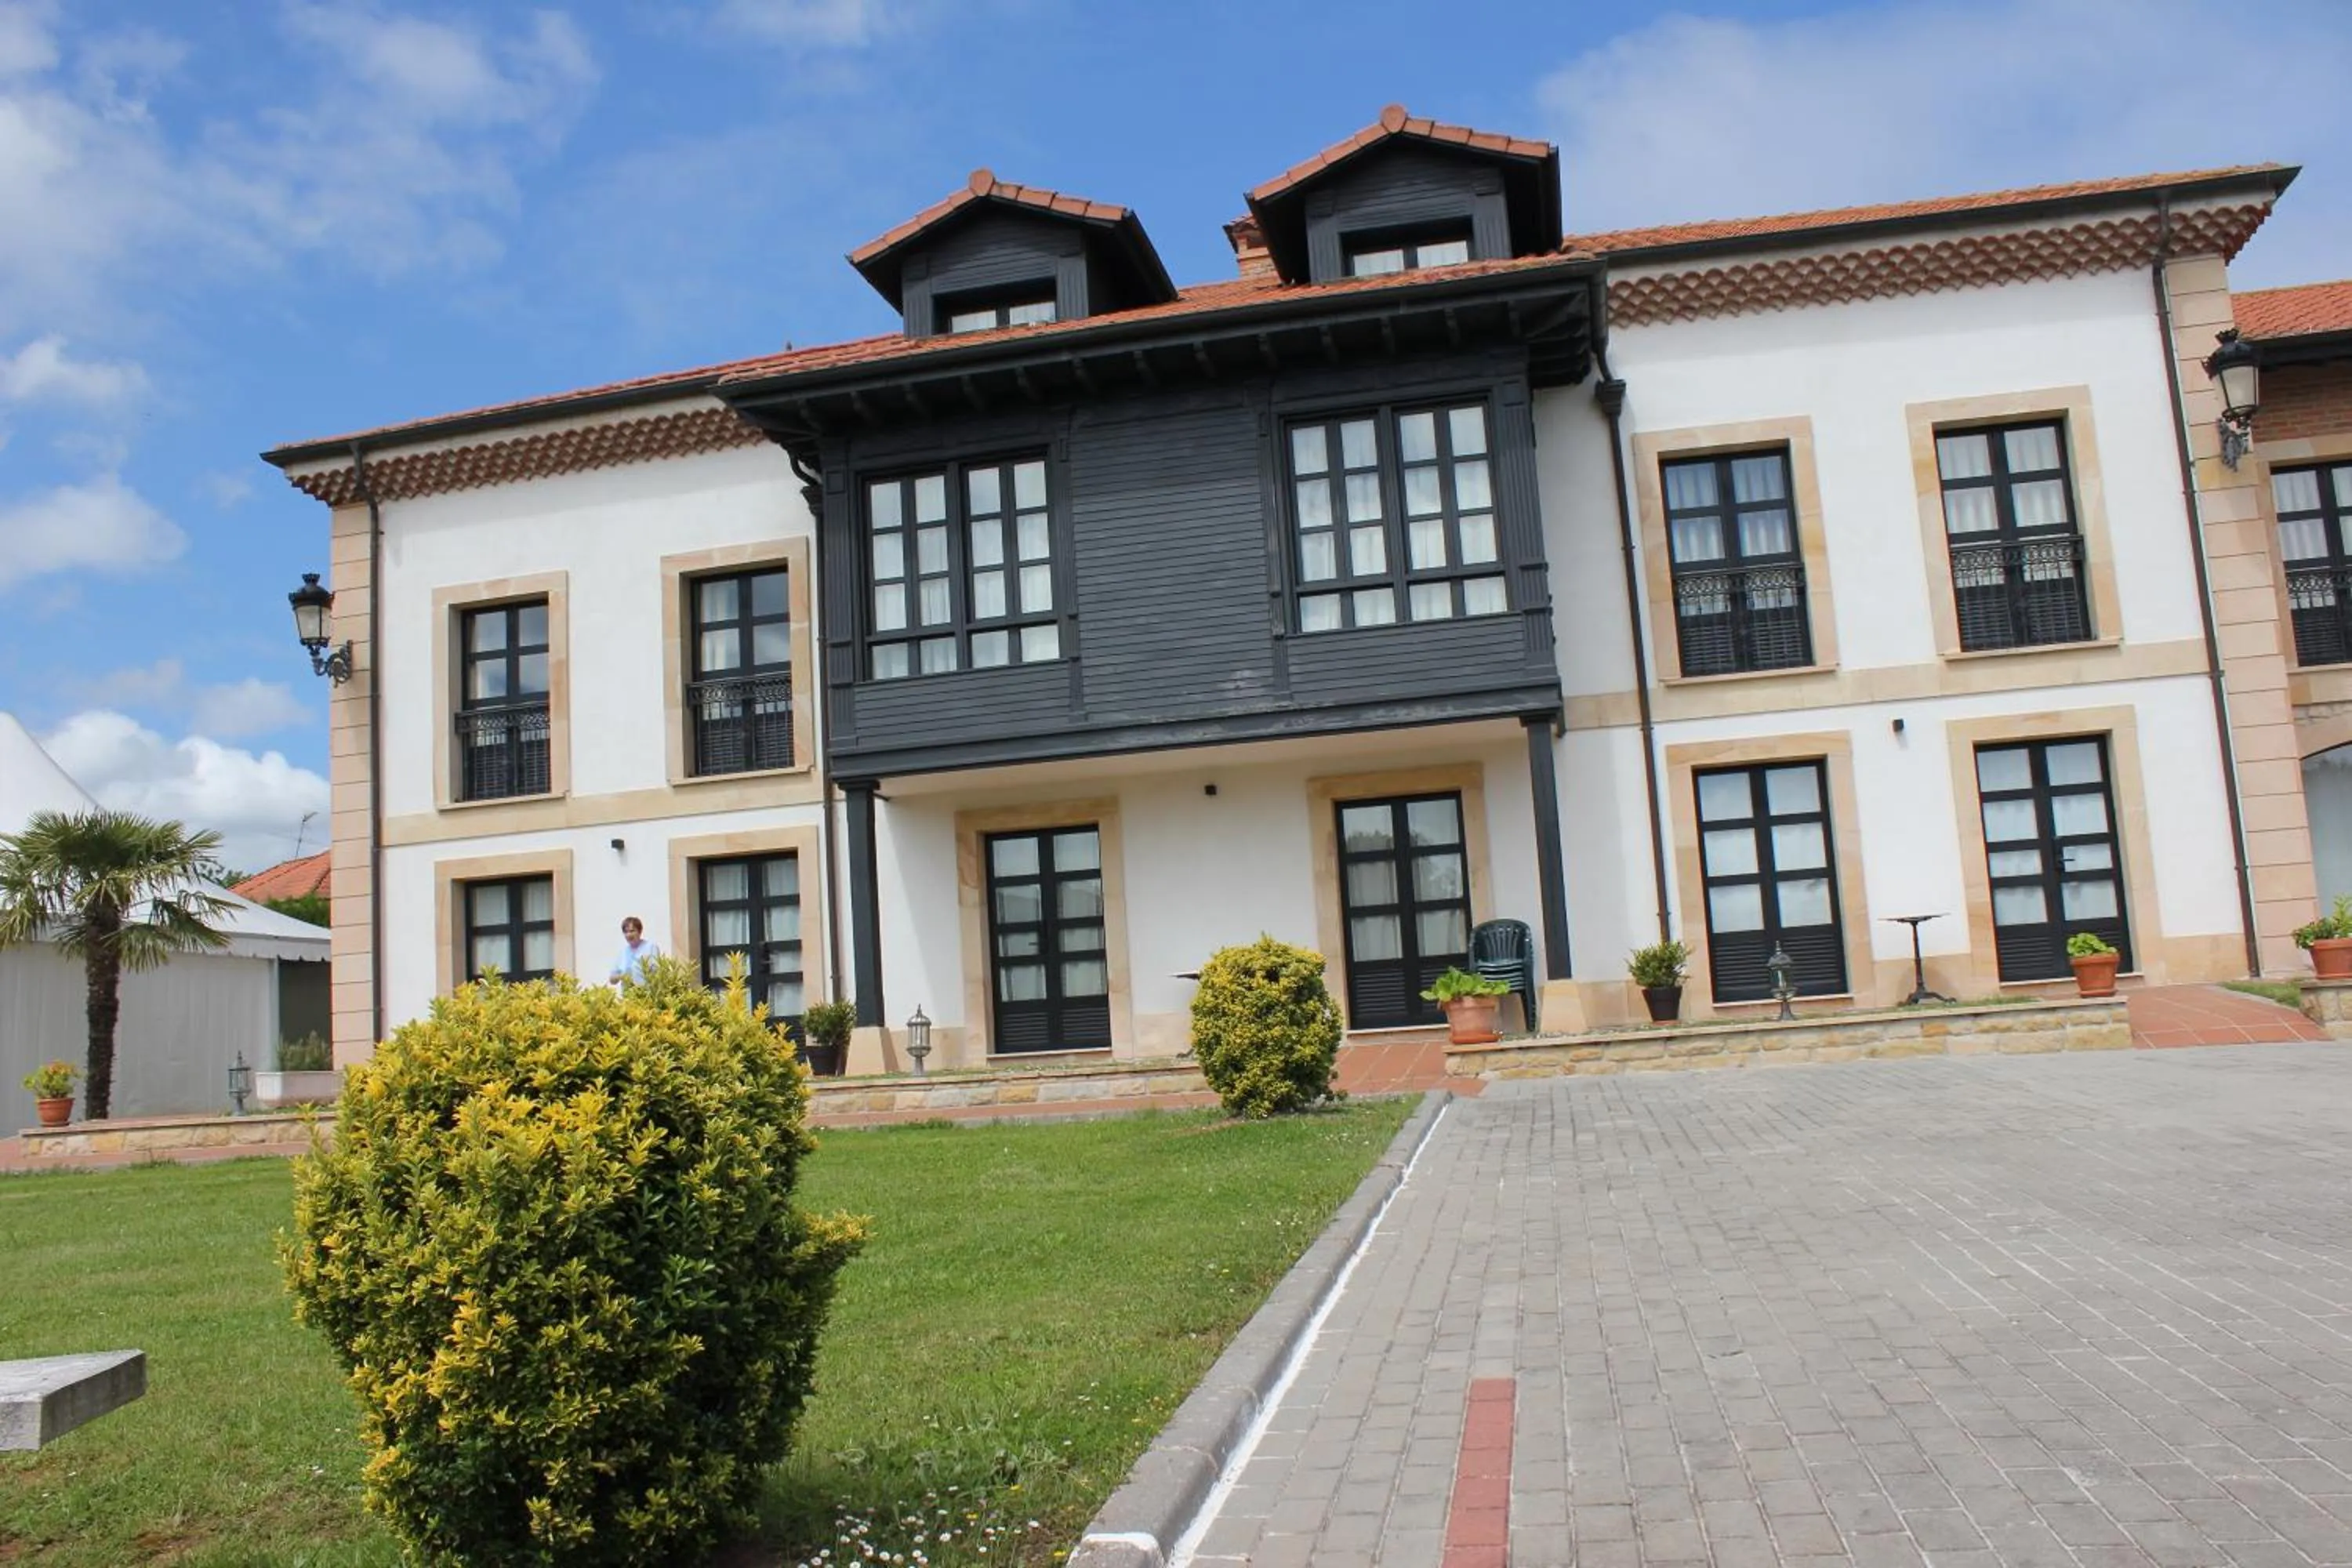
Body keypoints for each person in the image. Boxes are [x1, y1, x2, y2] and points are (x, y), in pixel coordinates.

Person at [608, 916, 659, 986]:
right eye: (626, 932)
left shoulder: (651, 947)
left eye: (632, 931)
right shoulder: (623, 952)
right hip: (628, 995)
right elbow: (612, 979)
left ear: (640, 931)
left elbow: (657, 973)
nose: (629, 935)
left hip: (646, 994)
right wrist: (621, 976)